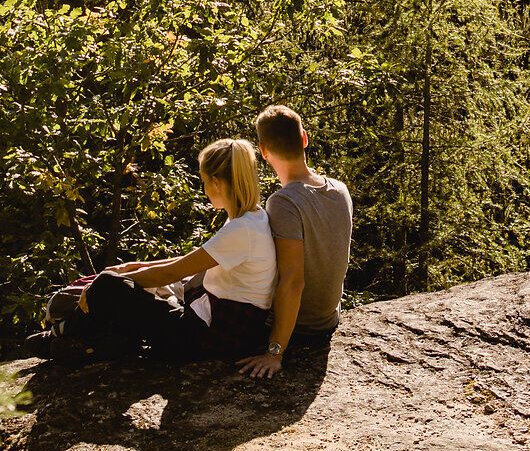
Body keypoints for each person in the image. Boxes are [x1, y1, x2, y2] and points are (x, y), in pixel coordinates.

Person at [73, 138, 276, 364]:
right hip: (221, 328)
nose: (205, 190)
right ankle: (97, 341)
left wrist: (109, 281)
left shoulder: (242, 230)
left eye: (204, 181)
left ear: (217, 183)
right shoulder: (251, 218)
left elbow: (170, 274)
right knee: (115, 283)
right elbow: (195, 259)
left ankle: (69, 335)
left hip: (211, 338)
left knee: (107, 285)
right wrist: (133, 267)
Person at [237, 103, 353, 379]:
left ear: (263, 151)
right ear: (304, 138)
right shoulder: (340, 190)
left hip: (301, 328)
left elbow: (292, 280)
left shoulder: (284, 202)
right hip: (328, 320)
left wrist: (275, 352)